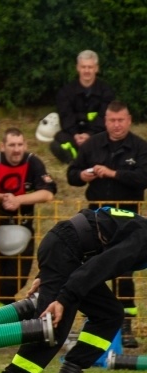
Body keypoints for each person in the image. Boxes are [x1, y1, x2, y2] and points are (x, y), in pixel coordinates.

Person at [0, 206, 147, 373]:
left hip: (68, 250)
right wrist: (63, 296)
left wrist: (47, 276)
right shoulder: (143, 239)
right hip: (66, 250)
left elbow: (88, 225)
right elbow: (100, 265)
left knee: (109, 314)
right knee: (51, 327)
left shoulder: (139, 229)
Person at [67, 101, 147, 348]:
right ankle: (93, 322)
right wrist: (83, 175)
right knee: (92, 269)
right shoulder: (92, 144)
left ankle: (126, 328)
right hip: (97, 221)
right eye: (112, 120)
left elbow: (143, 178)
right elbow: (72, 174)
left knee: (124, 273)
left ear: (129, 120)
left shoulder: (140, 147)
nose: (117, 125)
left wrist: (112, 173)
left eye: (121, 120)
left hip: (129, 221)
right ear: (105, 121)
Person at [0, 128, 57, 313]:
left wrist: (18, 200)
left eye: (20, 144)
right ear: (2, 146)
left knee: (16, 280)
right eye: (12, 145)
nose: (16, 149)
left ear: (26, 145)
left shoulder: (33, 163)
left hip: (23, 230)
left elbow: (47, 194)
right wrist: (3, 198)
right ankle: (2, 326)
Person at [50, 50, 115, 164]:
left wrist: (89, 135)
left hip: (96, 135)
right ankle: (77, 158)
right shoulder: (65, 92)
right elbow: (65, 117)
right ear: (78, 68)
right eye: (83, 67)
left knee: (112, 137)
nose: (86, 71)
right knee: (58, 139)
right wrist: (76, 135)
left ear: (96, 68)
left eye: (90, 67)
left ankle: (84, 155)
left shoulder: (106, 91)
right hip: (73, 136)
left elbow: (104, 117)